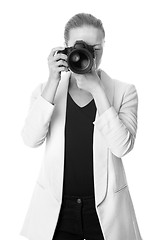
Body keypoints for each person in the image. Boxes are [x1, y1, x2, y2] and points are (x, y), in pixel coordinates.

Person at [20, 13, 143, 240]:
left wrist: (97, 90)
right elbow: (30, 139)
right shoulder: (45, 91)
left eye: (95, 49)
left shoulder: (124, 91)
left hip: (106, 210)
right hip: (57, 210)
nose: (89, 55)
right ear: (65, 48)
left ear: (104, 47)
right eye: (80, 47)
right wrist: (52, 80)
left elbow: (122, 147)